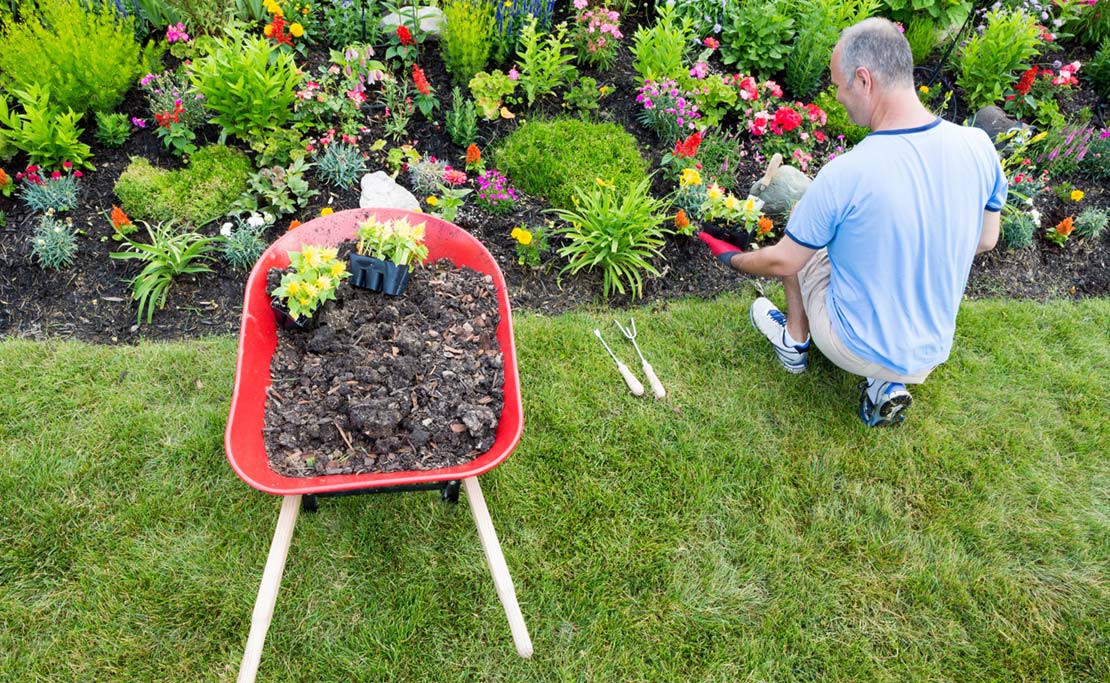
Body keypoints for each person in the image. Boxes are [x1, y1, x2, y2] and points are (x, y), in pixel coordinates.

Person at [699, 17, 1007, 427]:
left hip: (853, 344)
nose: (838, 96)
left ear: (864, 80)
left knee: (804, 228)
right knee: (870, 242)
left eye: (839, 85)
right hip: (930, 350)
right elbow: (986, 238)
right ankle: (886, 385)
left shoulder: (848, 173)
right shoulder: (978, 146)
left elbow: (784, 262)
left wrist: (733, 259)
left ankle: (794, 342)